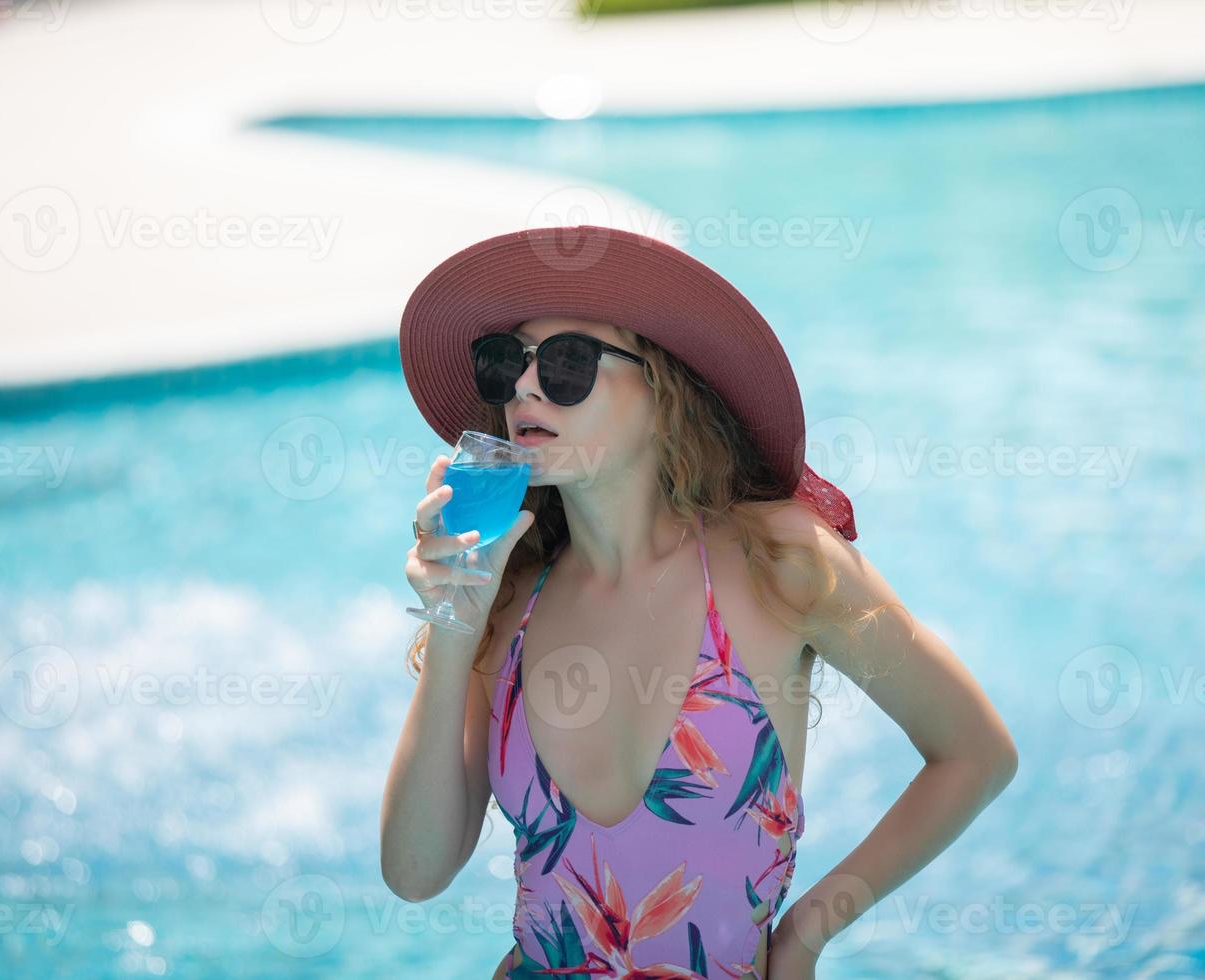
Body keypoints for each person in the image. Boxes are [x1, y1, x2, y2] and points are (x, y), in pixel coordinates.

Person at [379, 226, 1018, 979]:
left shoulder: (776, 562)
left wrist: (809, 929)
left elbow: (975, 754)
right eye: (505, 362)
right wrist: (456, 619)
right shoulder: (511, 592)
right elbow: (415, 874)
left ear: (662, 386)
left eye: (566, 364)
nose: (523, 387)